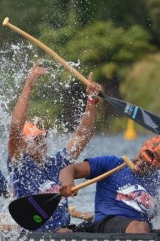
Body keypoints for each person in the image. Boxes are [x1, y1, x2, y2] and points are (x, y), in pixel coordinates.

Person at [8, 61, 101, 231]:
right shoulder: (19, 164)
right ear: (24, 143)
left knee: (101, 223)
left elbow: (83, 135)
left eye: (43, 137)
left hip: (64, 231)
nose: (42, 142)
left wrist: (91, 100)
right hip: (37, 234)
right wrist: (29, 86)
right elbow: (15, 127)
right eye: (36, 139)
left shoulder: (58, 163)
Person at [58, 135, 160, 233]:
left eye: (147, 163)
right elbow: (70, 169)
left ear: (159, 166)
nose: (140, 163)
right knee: (141, 228)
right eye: (141, 156)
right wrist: (67, 183)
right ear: (141, 149)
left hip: (135, 230)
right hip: (107, 222)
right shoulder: (112, 164)